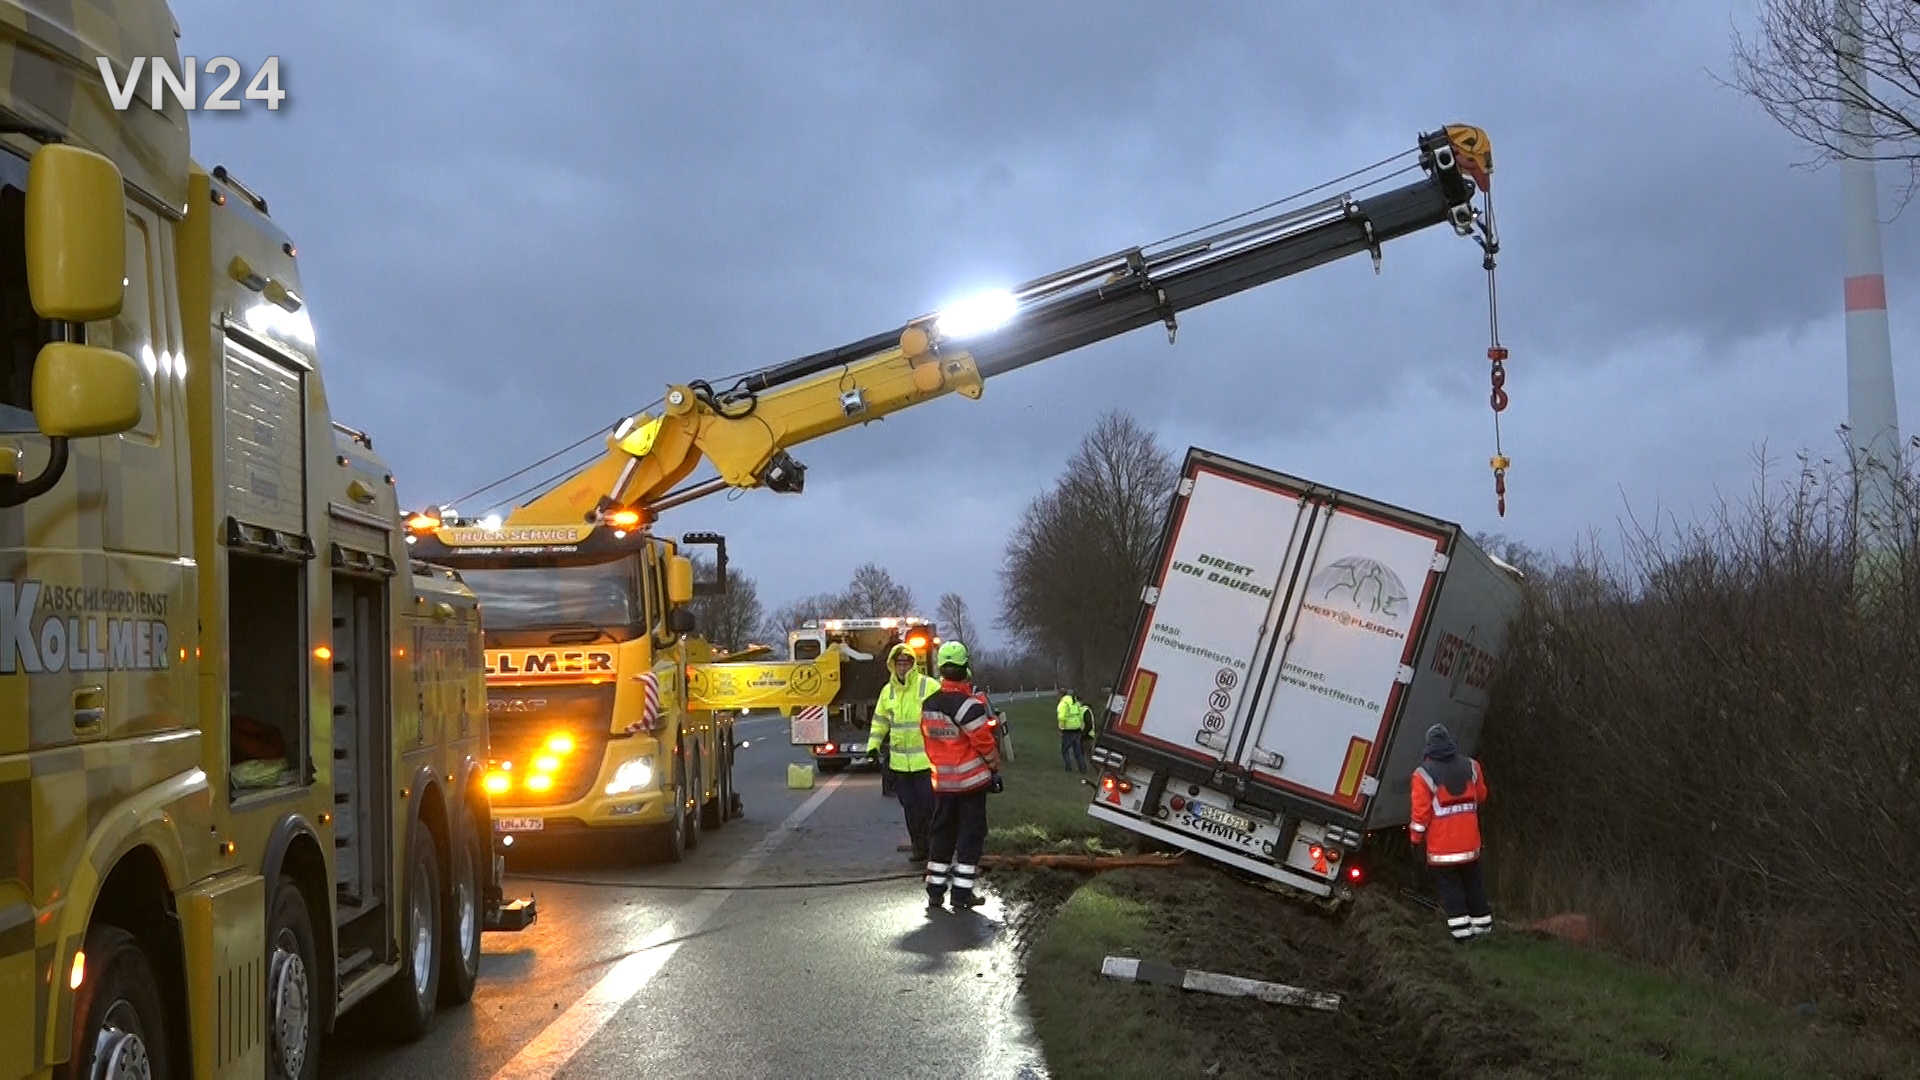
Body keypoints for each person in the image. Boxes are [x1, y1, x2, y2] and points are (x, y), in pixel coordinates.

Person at [920, 640, 1002, 911]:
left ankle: (934, 890)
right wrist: (994, 769)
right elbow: (985, 743)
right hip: (970, 786)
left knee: (942, 834)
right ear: (966, 667)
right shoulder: (968, 706)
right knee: (970, 836)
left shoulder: (928, 705)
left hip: (942, 785)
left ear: (942, 669)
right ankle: (962, 894)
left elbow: (928, 742)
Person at [1408, 723, 1493, 942]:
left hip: (1442, 849)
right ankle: (1483, 930)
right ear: (1449, 743)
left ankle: (1463, 936)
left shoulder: (1423, 774)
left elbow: (1421, 815)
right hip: (1470, 845)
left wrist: (1415, 840)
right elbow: (1482, 795)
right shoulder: (1472, 766)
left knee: (1452, 890)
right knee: (1474, 885)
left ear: (1429, 747)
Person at [867, 642, 941, 863]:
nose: (902, 667)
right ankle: (919, 847)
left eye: (906, 662)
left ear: (913, 664)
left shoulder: (928, 686)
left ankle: (933, 847)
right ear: (892, 665)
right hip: (900, 764)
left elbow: (943, 715)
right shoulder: (887, 692)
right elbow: (880, 722)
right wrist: (873, 746)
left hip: (925, 762)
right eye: (898, 663)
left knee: (928, 806)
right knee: (909, 807)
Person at [1056, 689, 1088, 774]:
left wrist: (1061, 728)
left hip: (1068, 730)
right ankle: (1083, 768)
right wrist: (1081, 727)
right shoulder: (1075, 702)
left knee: (1065, 750)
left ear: (1061, 695)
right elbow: (1081, 715)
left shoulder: (1063, 704)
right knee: (1078, 751)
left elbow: (1061, 717)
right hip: (1077, 730)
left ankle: (1068, 767)